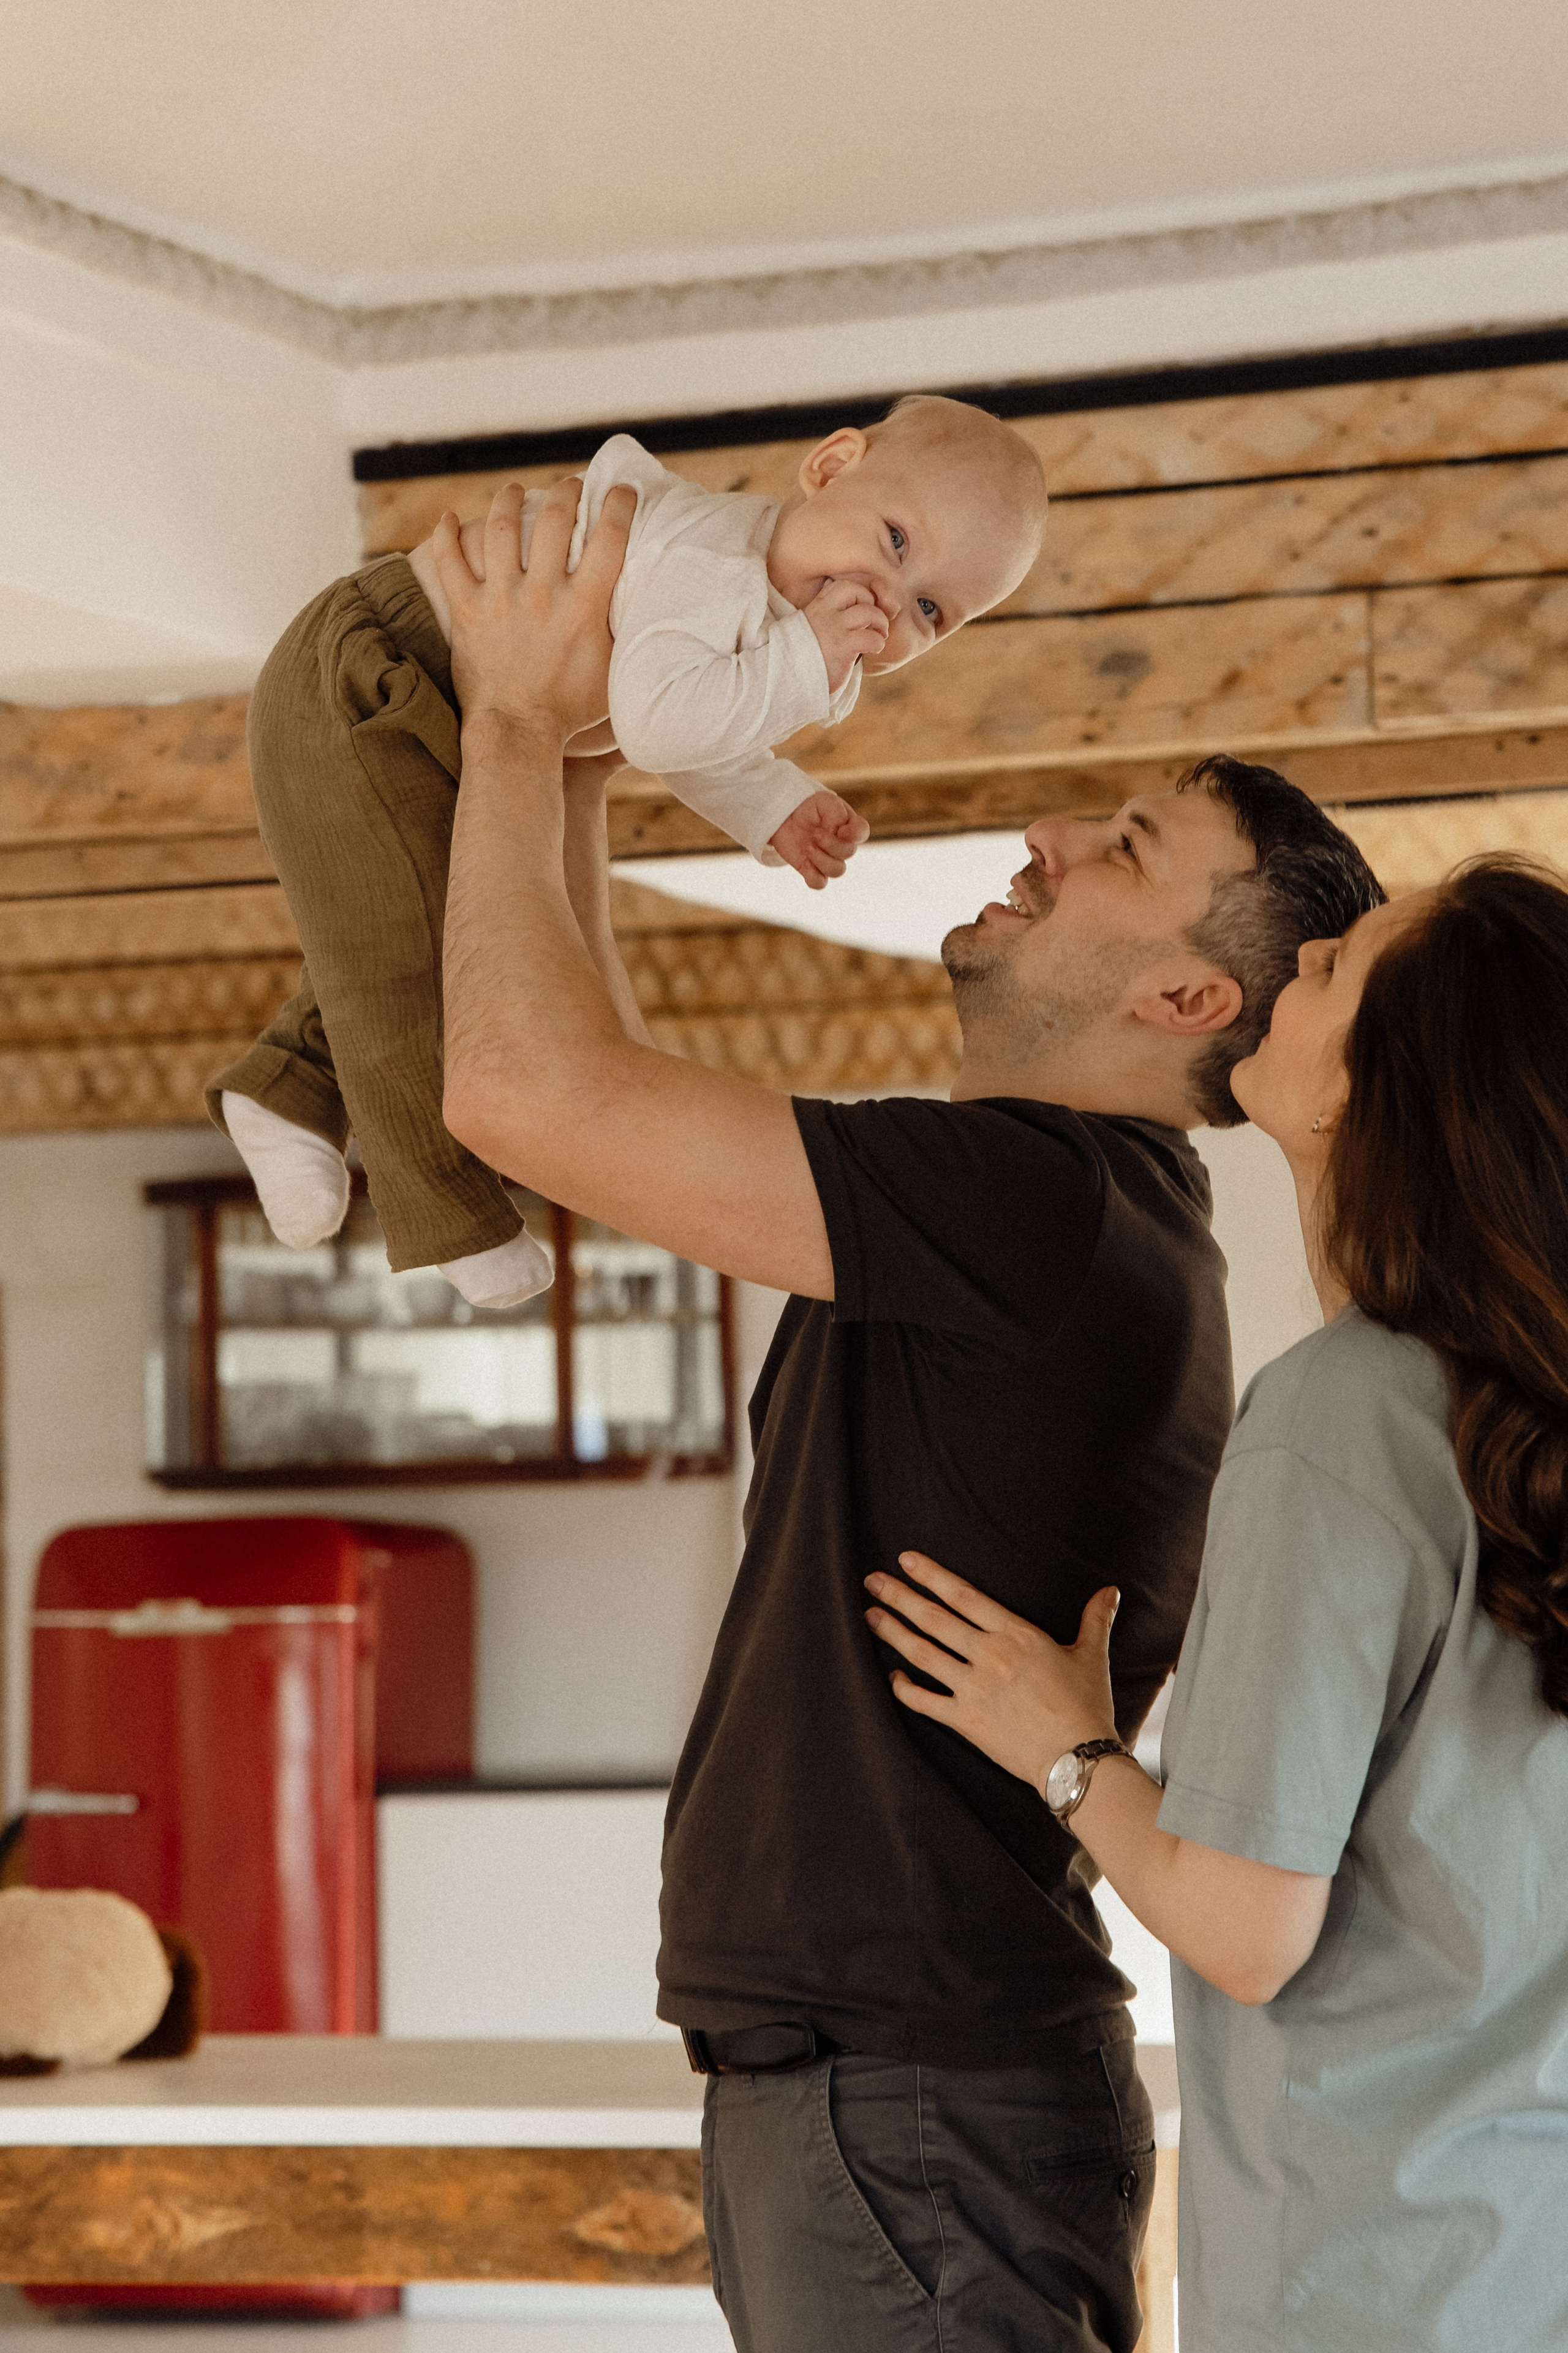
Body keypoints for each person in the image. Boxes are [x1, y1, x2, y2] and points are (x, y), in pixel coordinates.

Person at [428, 477, 1382, 2353]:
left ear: (1189, 990)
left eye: (1115, 845)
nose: (1039, 832)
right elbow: (596, 1098)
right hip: (900, 2095)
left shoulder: (1039, 1207)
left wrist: (517, 721)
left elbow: (519, 1095)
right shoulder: (1057, 1218)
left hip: (912, 2104)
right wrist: (588, 776)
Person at [864, 857, 1568, 2352]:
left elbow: (1245, 1927)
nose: (1303, 947)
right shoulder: (1505, 1426)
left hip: (1362, 2281)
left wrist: (1061, 1743)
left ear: (1375, 1092)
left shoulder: (1342, 1415)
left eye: (1338, 967)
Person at [206, 396, 1047, 1310]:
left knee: (422, 929)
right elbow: (658, 722)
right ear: (830, 467)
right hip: (369, 671)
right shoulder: (712, 565)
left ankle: (286, 1087)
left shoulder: (795, 628)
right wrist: (802, 662)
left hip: (434, 702)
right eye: (894, 540)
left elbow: (699, 726)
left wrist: (771, 803)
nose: (890, 598)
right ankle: (445, 1214)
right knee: (409, 968)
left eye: (930, 608)